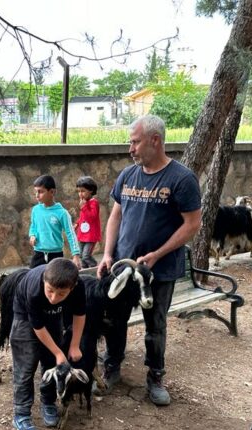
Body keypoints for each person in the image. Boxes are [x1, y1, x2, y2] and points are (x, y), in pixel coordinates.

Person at [96, 115, 202, 406]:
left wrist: (157, 254)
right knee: (113, 320)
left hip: (160, 271)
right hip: (122, 268)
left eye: (135, 142)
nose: (131, 148)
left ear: (155, 141)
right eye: (131, 142)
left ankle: (155, 377)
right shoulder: (128, 176)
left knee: (155, 326)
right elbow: (116, 215)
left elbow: (192, 224)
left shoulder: (181, 179)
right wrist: (107, 254)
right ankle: (111, 367)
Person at [10, 258, 86, 430]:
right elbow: (37, 327)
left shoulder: (79, 286)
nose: (53, 297)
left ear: (72, 287)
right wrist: (59, 352)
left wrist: (75, 345)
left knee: (51, 362)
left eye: (61, 294)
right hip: (25, 318)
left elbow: (79, 314)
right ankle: (21, 415)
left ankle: (48, 401)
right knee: (25, 367)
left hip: (53, 316)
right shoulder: (35, 289)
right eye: (50, 291)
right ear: (44, 281)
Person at [28, 174, 82, 269]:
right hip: (38, 254)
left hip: (55, 256)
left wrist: (76, 255)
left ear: (52, 192)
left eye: (40, 192)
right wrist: (32, 235)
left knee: (55, 282)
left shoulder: (62, 213)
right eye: (36, 192)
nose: (37, 195)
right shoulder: (35, 210)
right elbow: (33, 226)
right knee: (32, 279)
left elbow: (71, 234)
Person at [73, 175, 101, 268]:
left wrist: (84, 207)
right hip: (82, 233)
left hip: (91, 234)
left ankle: (95, 267)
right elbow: (83, 217)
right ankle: (85, 271)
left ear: (91, 190)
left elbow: (92, 216)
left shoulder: (94, 202)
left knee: (86, 256)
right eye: (79, 191)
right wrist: (77, 224)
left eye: (83, 191)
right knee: (81, 254)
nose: (80, 194)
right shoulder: (84, 202)